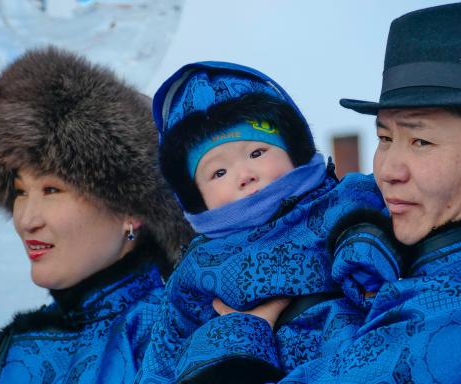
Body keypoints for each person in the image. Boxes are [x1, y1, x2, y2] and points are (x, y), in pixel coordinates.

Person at [163, 2, 461, 383]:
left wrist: (237, 336)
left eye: (421, 141)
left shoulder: (459, 319)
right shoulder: (432, 264)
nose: (387, 170)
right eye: (385, 138)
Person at [134, 62, 392, 383]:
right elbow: (162, 362)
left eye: (257, 152)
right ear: (196, 196)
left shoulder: (350, 202)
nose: (245, 175)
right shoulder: (195, 269)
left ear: (295, 151)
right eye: (219, 172)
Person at [0, 47, 193, 383]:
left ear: (131, 209)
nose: (27, 220)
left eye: (52, 190)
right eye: (21, 191)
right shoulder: (13, 349)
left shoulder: (183, 335)